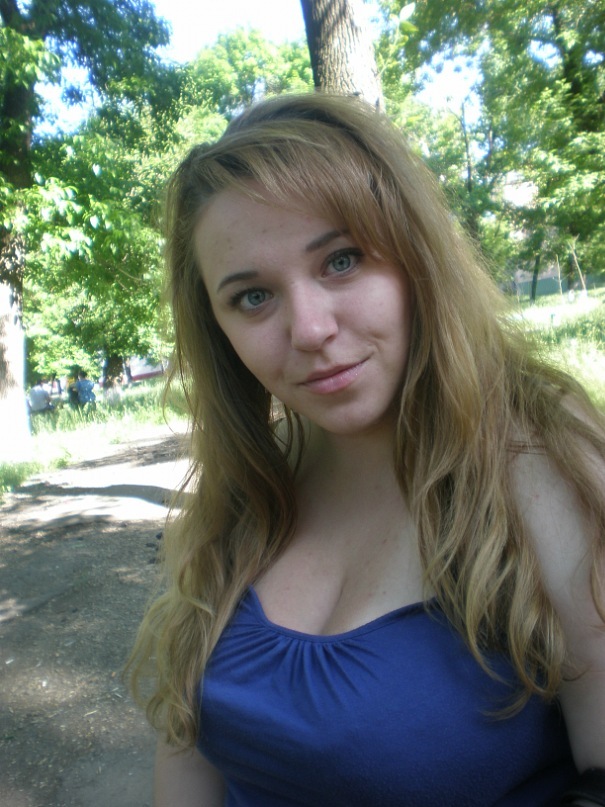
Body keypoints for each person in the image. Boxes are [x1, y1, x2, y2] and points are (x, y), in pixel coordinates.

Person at [128, 93, 605, 806]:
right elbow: (189, 749)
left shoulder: (538, 457)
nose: (310, 329)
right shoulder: (255, 484)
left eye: (342, 260)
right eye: (253, 297)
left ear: (415, 255)